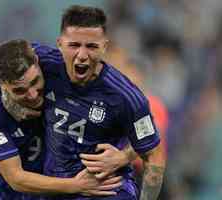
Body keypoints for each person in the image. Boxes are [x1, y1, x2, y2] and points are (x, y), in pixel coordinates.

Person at [32, 5, 165, 200]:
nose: (82, 55)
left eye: (91, 46)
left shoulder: (126, 96)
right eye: (74, 45)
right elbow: (7, 64)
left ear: (104, 47)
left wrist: (123, 157)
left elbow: (154, 152)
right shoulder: (40, 60)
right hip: (57, 190)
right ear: (59, 43)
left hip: (107, 191)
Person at [0, 39, 123, 200]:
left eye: (34, 82)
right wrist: (77, 185)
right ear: (3, 85)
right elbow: (16, 178)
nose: (32, 95)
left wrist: (123, 156)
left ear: (38, 64)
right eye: (19, 90)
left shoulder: (59, 71)